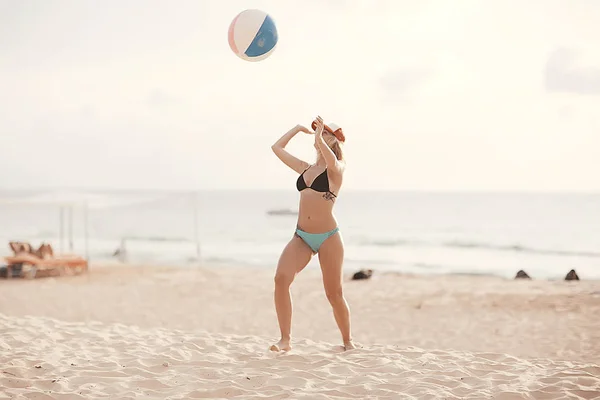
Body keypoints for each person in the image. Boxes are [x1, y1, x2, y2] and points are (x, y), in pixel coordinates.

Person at [269, 115, 355, 352]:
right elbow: (277, 148)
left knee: (334, 294)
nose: (318, 137)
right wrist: (296, 129)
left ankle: (348, 342)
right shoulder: (306, 168)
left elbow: (332, 162)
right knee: (281, 279)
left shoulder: (337, 169)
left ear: (332, 139)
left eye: (323, 133)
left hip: (328, 237)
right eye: (317, 133)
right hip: (302, 237)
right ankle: (285, 340)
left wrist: (320, 141)